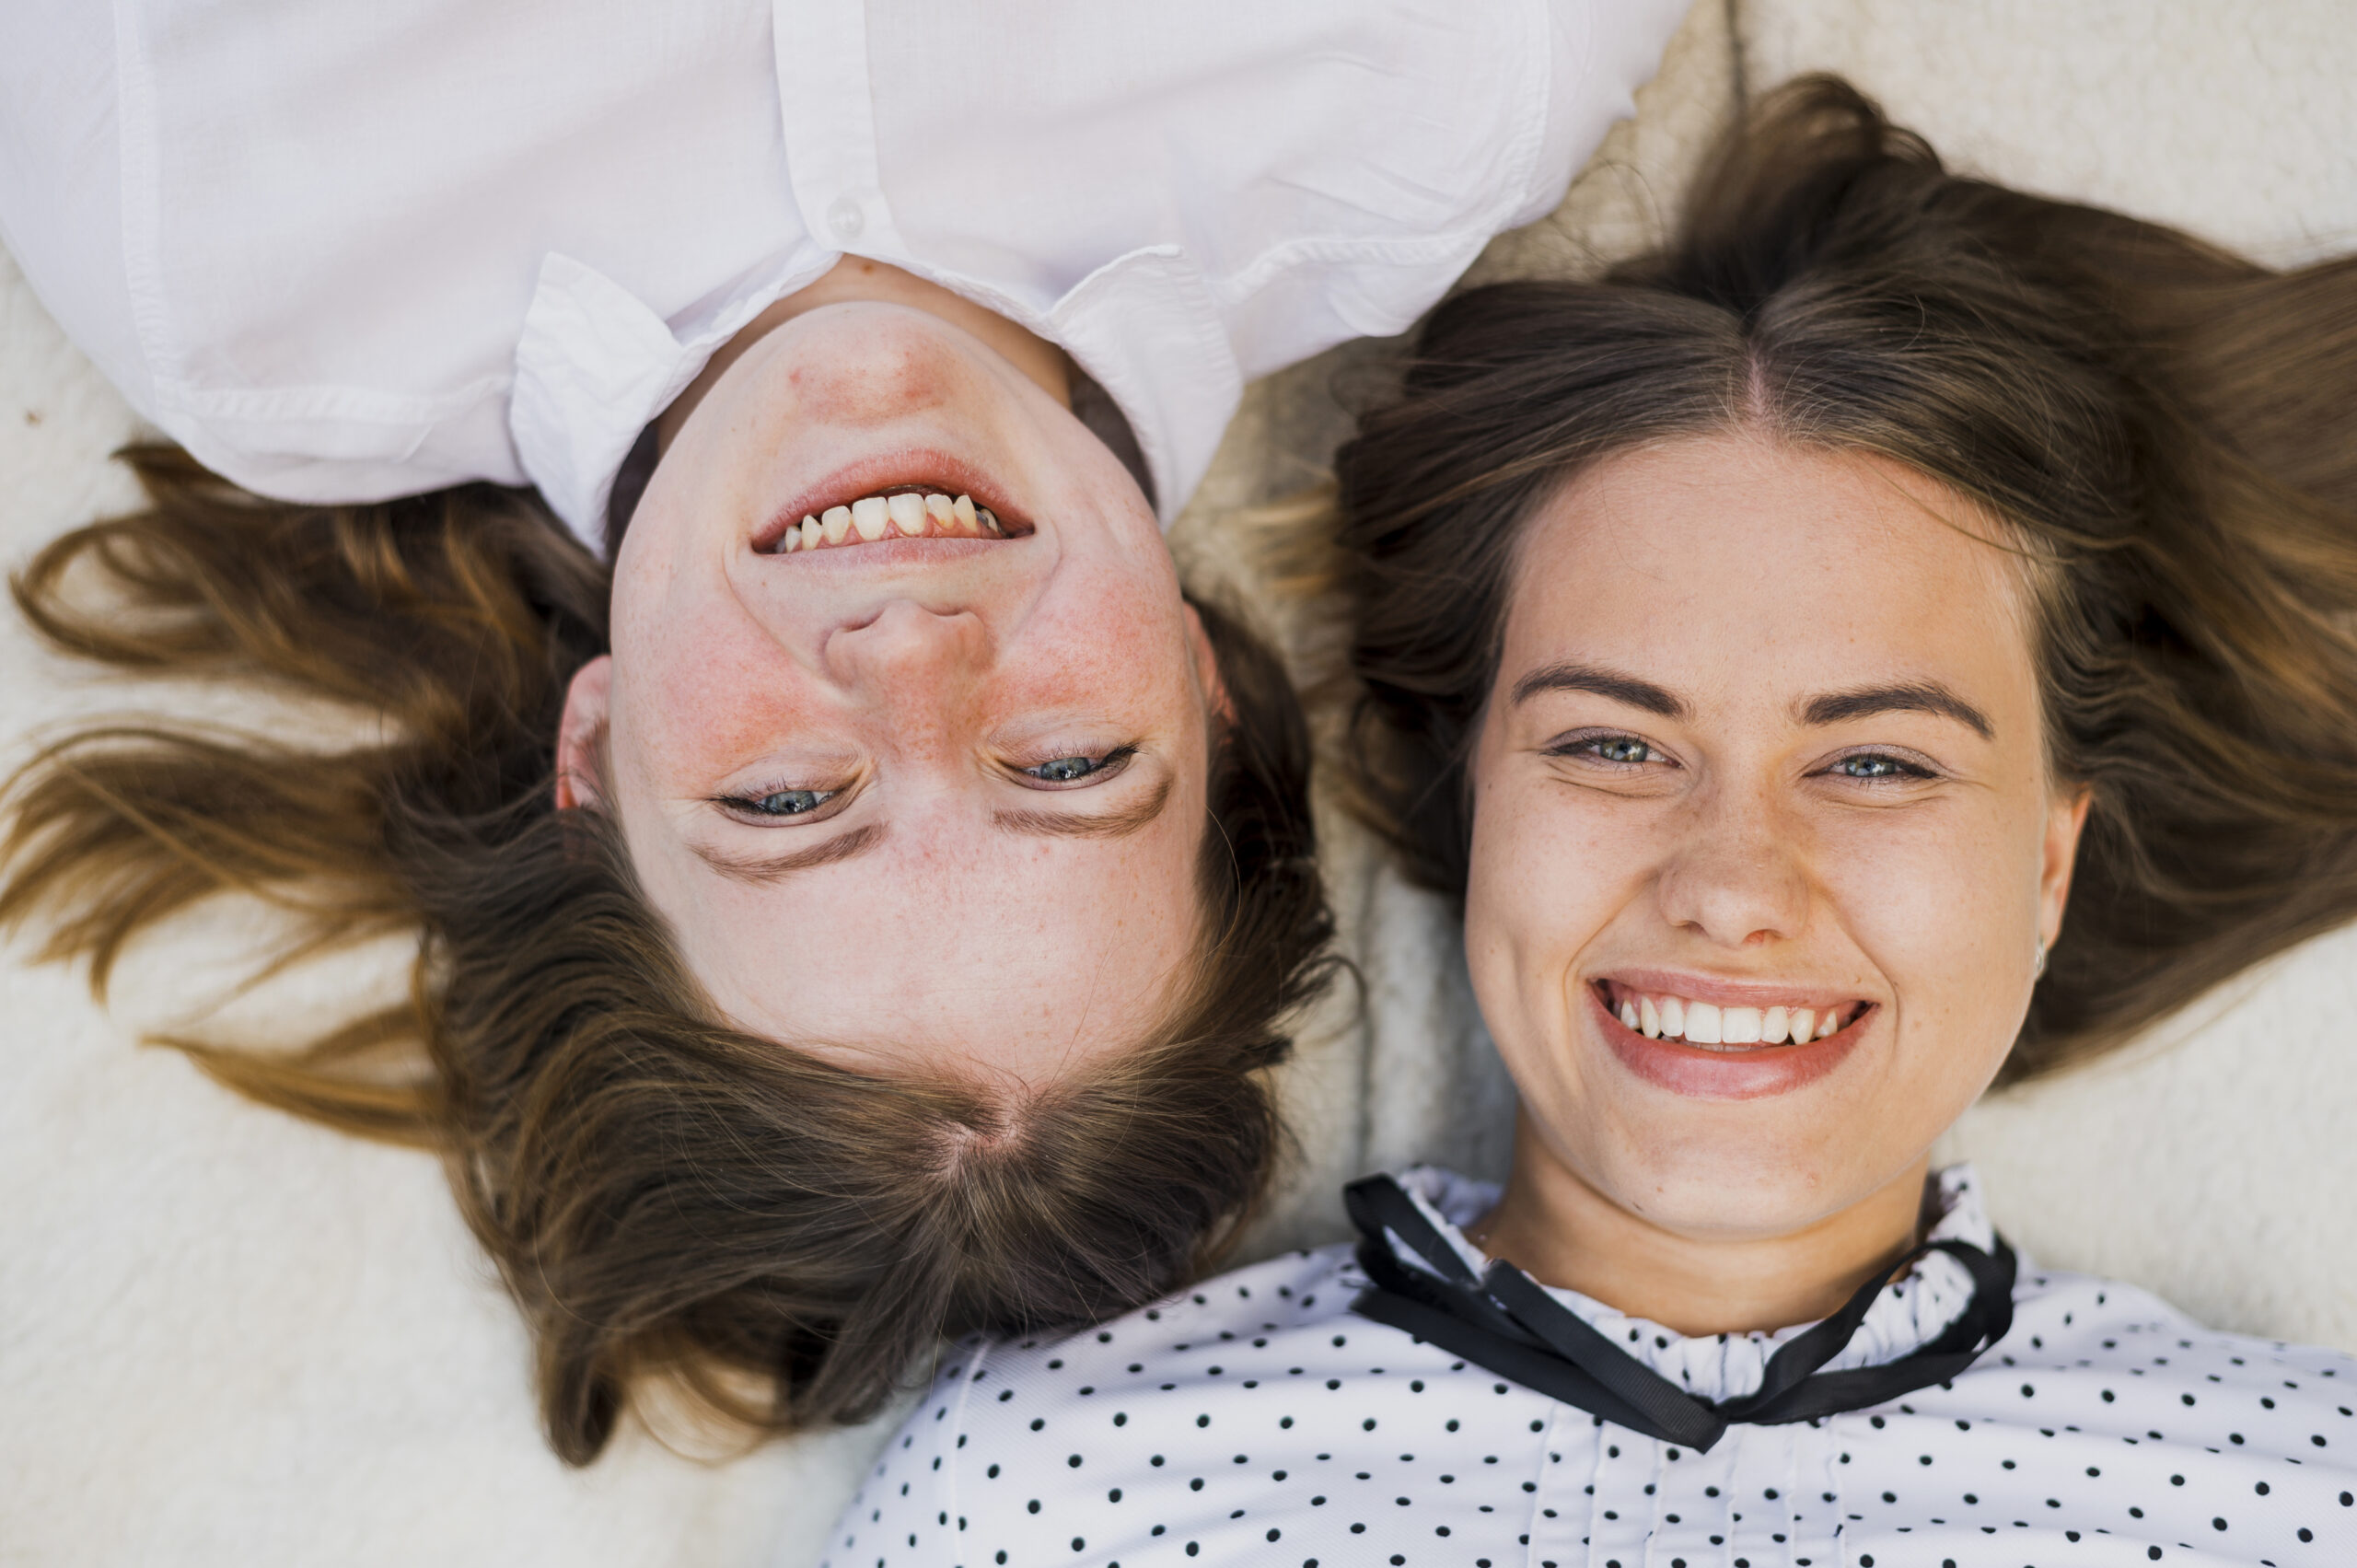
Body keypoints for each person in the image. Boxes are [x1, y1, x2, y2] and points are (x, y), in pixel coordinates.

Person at [0, 1, 1689, 1463]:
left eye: (790, 796)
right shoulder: (1455, 91)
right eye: (1071, 766)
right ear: (1205, 684)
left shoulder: (225, 276)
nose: (912, 657)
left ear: (589, 764)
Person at [830, 78, 2357, 1566]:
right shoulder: (1054, 1483)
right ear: (1475, 798)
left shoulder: (2304, 1492)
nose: (1734, 886)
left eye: (1881, 763)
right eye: (1618, 743)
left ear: (2046, 863)